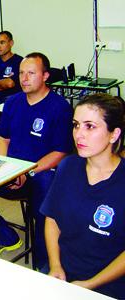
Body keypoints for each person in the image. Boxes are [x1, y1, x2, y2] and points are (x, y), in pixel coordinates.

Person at [0, 53, 73, 270]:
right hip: (11, 170)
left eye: (31, 73)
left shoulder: (60, 107)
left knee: (45, 188)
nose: (24, 78)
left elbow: (60, 152)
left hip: (40, 172)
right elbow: (3, 139)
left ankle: (44, 261)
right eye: (21, 73)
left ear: (45, 76)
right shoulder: (12, 102)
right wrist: (6, 169)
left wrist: (26, 172)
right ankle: (5, 236)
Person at [40, 93, 125, 299]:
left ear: (114, 134)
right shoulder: (69, 166)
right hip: (63, 271)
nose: (79, 134)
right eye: (76, 125)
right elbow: (52, 219)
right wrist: (55, 265)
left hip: (109, 282)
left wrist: (89, 284)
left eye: (90, 126)